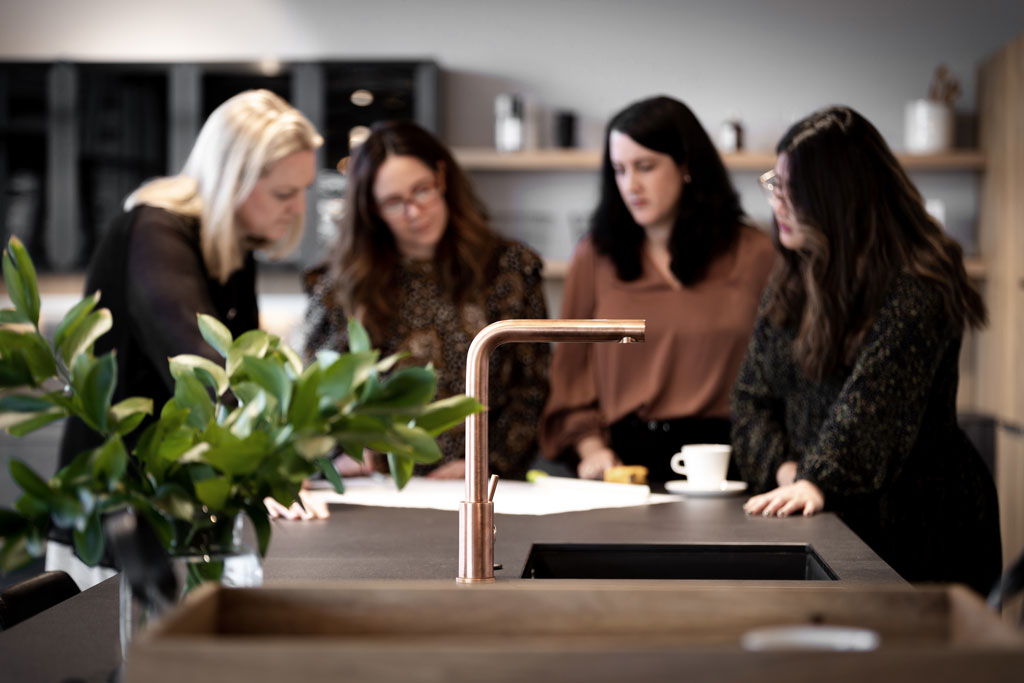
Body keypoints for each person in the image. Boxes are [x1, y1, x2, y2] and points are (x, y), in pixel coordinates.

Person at [732, 105, 1001, 596]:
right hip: (817, 506)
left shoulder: (920, 285)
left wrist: (816, 480)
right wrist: (789, 470)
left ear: (840, 198)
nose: (778, 204)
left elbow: (871, 408)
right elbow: (752, 398)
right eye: (776, 185)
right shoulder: (795, 274)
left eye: (794, 191)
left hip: (918, 528)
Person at [54, 89, 325, 559]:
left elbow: (243, 372)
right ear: (232, 179)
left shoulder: (233, 245)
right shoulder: (155, 232)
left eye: (302, 191)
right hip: (119, 511)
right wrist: (272, 467)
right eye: (285, 192)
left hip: (178, 505)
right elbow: (207, 372)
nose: (298, 208)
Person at [540, 95, 775, 482]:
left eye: (645, 167)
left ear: (686, 165)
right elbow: (571, 377)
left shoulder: (754, 251)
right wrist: (593, 450)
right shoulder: (594, 256)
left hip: (731, 461)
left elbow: (784, 375)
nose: (630, 185)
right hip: (624, 464)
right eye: (619, 170)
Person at [303, 120, 549, 481]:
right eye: (394, 202)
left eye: (422, 191)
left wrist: (486, 463)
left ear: (442, 177)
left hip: (480, 483)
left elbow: (533, 387)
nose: (414, 213)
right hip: (374, 489)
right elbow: (317, 392)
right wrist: (341, 458)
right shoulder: (338, 286)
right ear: (371, 208)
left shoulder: (509, 268)